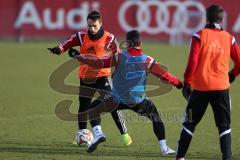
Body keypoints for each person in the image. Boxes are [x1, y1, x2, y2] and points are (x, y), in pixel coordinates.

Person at [70, 30, 183, 153]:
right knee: (155, 117)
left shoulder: (119, 57)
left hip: (116, 100)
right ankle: (164, 148)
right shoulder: (148, 61)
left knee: (92, 109)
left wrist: (79, 56)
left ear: (127, 43)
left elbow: (98, 63)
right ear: (141, 43)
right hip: (138, 101)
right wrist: (179, 84)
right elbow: (165, 76)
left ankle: (99, 134)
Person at [48, 11, 132, 146]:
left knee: (112, 104)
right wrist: (59, 49)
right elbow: (68, 42)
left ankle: (125, 135)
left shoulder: (109, 38)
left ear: (100, 24)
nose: (92, 29)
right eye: (90, 26)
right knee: (83, 106)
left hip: (102, 77)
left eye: (94, 26)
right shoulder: (81, 36)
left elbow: (118, 56)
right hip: (85, 77)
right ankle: (82, 135)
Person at [176, 5, 240, 160]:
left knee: (189, 124)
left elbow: (193, 62)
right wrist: (232, 75)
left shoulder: (199, 36)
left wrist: (187, 82)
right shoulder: (229, 38)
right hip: (221, 87)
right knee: (224, 126)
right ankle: (227, 157)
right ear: (221, 18)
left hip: (201, 87)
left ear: (206, 18)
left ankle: (180, 157)